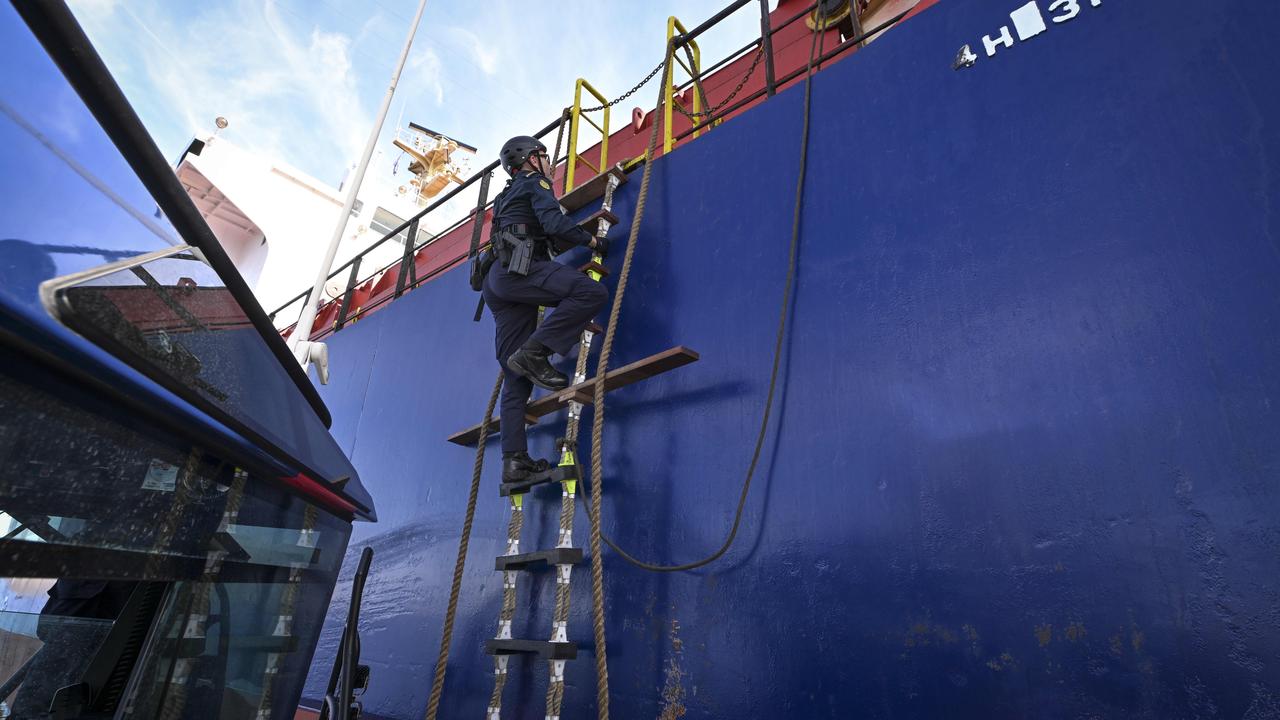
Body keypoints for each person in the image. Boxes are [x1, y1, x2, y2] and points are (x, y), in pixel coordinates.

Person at [481, 136, 611, 483]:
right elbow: (554, 225)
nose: (550, 165)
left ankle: (514, 462)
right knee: (590, 293)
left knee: (515, 377)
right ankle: (535, 353)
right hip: (519, 270)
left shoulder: (505, 195)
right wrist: (593, 241)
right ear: (531, 160)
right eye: (545, 157)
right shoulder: (534, 182)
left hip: (497, 281)